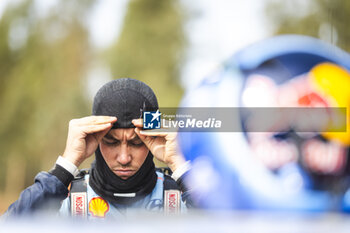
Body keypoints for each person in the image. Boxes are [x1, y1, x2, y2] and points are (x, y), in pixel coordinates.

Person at [4, 78, 191, 218]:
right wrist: (64, 168)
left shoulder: (177, 198)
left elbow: (219, 222)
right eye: (111, 142)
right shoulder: (69, 201)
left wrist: (181, 167)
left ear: (153, 138)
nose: (124, 158)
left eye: (136, 143)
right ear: (96, 139)